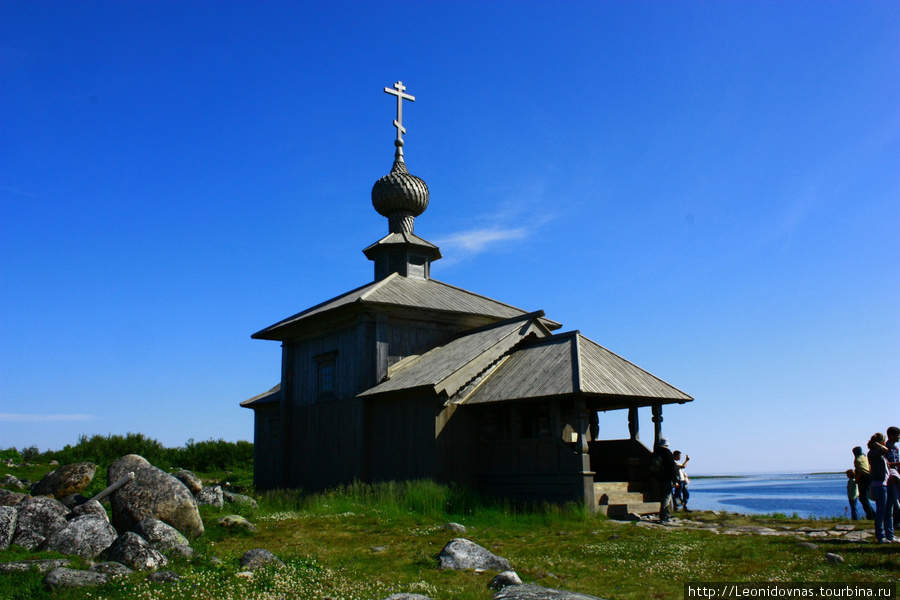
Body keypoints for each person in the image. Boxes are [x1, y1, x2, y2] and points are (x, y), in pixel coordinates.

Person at [867, 433, 894, 543]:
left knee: (889, 511)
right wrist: (877, 445)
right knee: (881, 511)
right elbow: (885, 450)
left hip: (886, 483)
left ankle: (890, 535)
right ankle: (881, 536)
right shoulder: (873, 453)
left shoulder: (878, 453)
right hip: (879, 484)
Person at [653, 438, 677, 523]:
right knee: (667, 497)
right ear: (667, 444)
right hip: (667, 478)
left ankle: (665, 514)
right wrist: (675, 480)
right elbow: (672, 468)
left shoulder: (655, 453)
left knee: (662, 497)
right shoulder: (668, 453)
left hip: (658, 478)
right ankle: (664, 516)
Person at [853, 446, 875, 519]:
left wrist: (856, 480)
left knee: (863, 498)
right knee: (864, 498)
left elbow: (859, 471)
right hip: (869, 477)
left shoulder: (858, 460)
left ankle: (870, 515)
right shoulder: (864, 458)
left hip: (863, 479)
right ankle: (872, 514)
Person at [886, 426, 900, 530]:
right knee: (891, 500)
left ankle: (897, 521)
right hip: (889, 476)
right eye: (897, 435)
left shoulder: (895, 449)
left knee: (897, 499)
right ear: (891, 436)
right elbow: (885, 464)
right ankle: (894, 523)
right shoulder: (885, 448)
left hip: (896, 475)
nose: (898, 437)